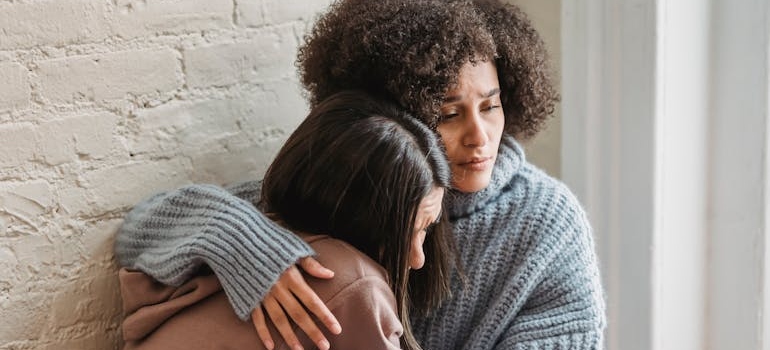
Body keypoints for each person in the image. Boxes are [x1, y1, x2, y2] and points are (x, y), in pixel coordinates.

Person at [116, 0, 607, 349]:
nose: (480, 137)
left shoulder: (547, 222)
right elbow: (140, 231)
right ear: (394, 113)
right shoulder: (358, 184)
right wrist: (248, 248)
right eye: (449, 114)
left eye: (491, 106)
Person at [117, 90, 454, 350]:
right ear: (356, 213)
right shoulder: (355, 281)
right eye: (407, 232)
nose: (417, 258)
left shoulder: (273, 212)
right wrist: (245, 244)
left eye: (426, 229)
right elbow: (132, 233)